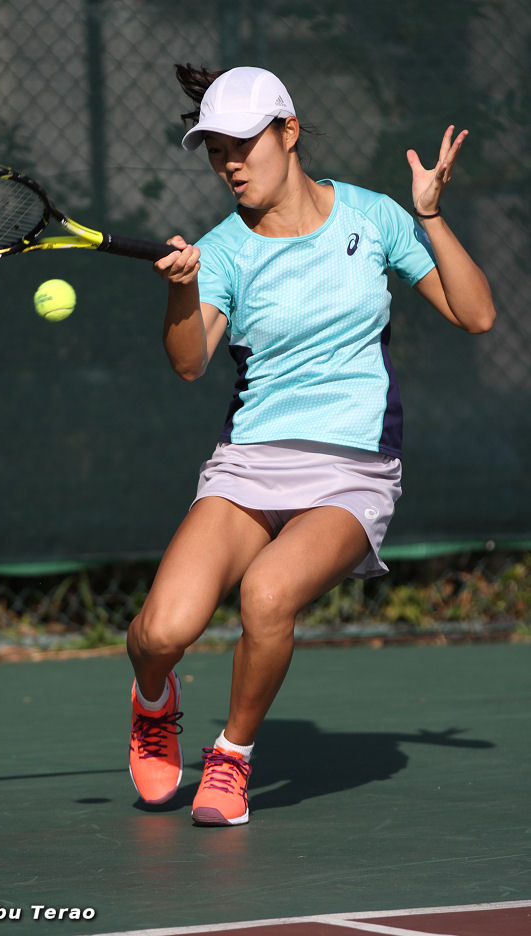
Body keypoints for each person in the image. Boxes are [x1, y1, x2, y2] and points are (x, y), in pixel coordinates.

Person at [126, 65, 495, 827]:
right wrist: (181, 286)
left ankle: (231, 756)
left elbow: (476, 316)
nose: (229, 164)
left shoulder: (372, 216)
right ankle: (153, 702)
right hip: (250, 463)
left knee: (267, 595)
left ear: (288, 132)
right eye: (215, 151)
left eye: (242, 145)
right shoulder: (221, 250)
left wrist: (428, 216)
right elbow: (190, 363)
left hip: (351, 469)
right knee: (161, 632)